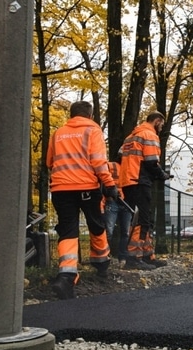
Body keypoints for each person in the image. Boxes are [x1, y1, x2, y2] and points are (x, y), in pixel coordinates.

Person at [46, 101, 118, 300]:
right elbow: (98, 161)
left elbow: (49, 161)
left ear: (71, 115)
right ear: (90, 115)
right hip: (87, 187)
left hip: (61, 189)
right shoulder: (92, 130)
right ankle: (102, 264)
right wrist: (110, 185)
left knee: (68, 230)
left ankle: (66, 276)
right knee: (96, 224)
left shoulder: (58, 133)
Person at [120, 111, 170, 270]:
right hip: (139, 181)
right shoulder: (149, 135)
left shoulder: (130, 137)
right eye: (161, 124)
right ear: (157, 121)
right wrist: (162, 175)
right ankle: (134, 258)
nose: (161, 127)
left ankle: (147, 255)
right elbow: (151, 162)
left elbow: (120, 154)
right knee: (142, 220)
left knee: (142, 219)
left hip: (128, 181)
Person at [103, 160, 132, 267]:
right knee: (108, 231)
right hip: (113, 200)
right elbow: (103, 179)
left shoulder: (132, 169)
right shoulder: (111, 165)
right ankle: (104, 257)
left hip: (126, 202)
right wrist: (109, 193)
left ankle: (123, 258)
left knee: (126, 232)